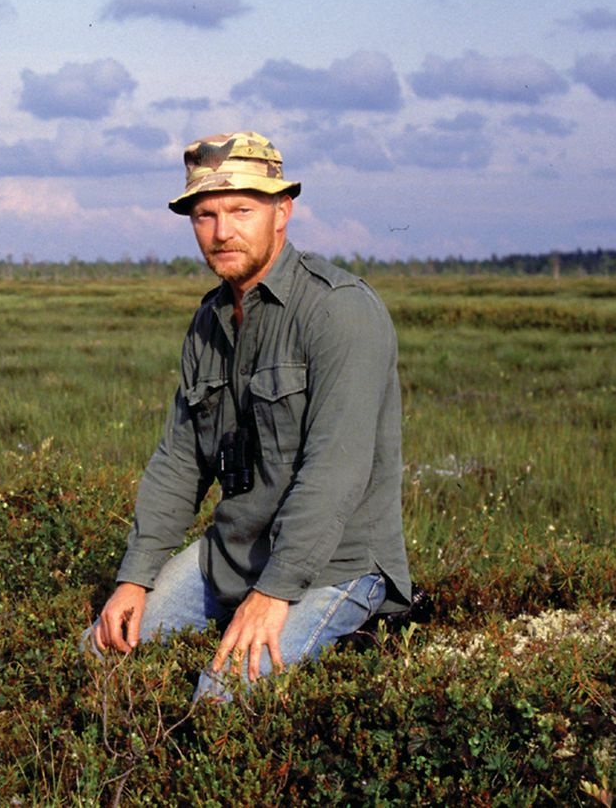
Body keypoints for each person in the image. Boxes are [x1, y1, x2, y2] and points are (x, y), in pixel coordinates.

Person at [87, 131, 412, 701]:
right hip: (234, 554)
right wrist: (134, 577)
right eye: (205, 215)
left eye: (241, 209)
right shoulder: (210, 319)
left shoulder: (340, 310)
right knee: (99, 655)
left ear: (282, 212)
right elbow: (179, 460)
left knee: (217, 699)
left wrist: (273, 594)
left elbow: (334, 473)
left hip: (337, 566)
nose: (222, 231)